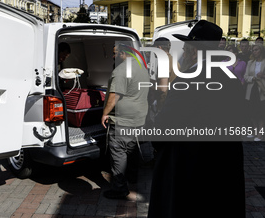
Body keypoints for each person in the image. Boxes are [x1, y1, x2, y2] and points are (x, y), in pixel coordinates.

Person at [148, 20, 246, 218]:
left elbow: (163, 131)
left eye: (185, 49)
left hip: (190, 170)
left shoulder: (187, 80)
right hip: (223, 169)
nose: (183, 54)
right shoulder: (232, 81)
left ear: (194, 52)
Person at [101, 43, 150, 199]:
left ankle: (120, 188)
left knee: (119, 153)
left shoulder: (121, 71)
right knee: (132, 148)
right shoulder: (141, 67)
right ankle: (133, 178)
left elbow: (114, 96)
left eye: (115, 53)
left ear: (124, 54)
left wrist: (104, 113)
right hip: (138, 118)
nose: (114, 57)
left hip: (122, 120)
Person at [244, 44, 265, 141]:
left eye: (256, 50)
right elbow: (245, 76)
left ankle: (260, 134)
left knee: (260, 112)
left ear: (261, 50)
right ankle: (255, 131)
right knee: (252, 112)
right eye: (253, 50)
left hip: (262, 89)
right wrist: (252, 78)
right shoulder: (250, 62)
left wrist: (263, 76)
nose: (254, 52)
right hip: (251, 88)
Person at [153, 37, 179, 112]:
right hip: (172, 102)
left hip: (163, 105)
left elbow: (163, 88)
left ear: (159, 48)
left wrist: (150, 86)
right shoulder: (173, 60)